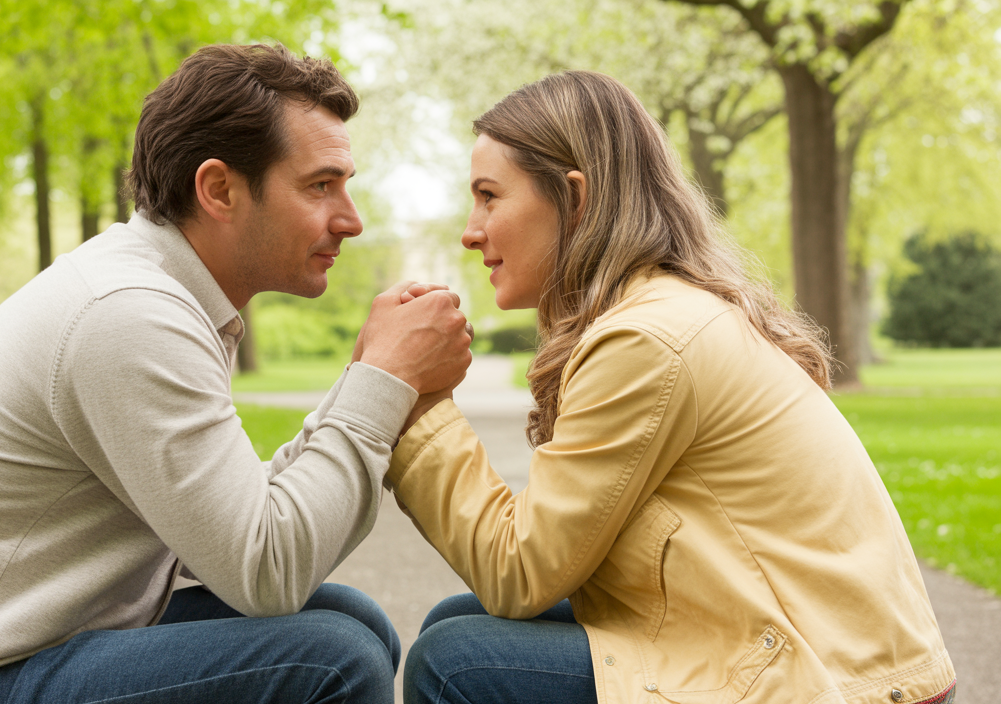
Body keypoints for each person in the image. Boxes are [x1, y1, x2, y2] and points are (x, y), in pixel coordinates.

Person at [0, 44, 472, 704]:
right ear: (219, 190)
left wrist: (368, 374)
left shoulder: (161, 294)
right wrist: (385, 380)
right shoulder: (128, 315)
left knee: (354, 621)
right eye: (320, 186)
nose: (350, 220)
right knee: (332, 659)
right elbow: (266, 567)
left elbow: (230, 529)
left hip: (17, 645)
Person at [388, 71, 956, 704]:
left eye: (490, 196)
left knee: (457, 662)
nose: (471, 229)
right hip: (818, 656)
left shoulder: (647, 339)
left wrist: (414, 398)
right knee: (457, 622)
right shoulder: (663, 311)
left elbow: (518, 571)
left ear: (576, 199)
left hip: (837, 683)